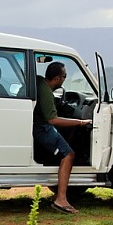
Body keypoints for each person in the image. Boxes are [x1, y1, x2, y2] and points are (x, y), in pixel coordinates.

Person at [33, 61, 92, 214]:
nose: (65, 79)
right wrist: (80, 122)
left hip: (38, 125)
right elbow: (52, 120)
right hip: (42, 128)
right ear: (58, 78)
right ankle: (61, 199)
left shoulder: (39, 81)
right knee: (68, 155)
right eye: (65, 76)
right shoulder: (46, 91)